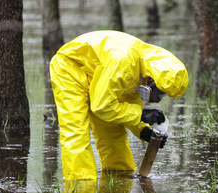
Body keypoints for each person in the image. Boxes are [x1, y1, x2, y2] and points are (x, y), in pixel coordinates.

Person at [50, 30, 189, 180]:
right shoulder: (124, 64)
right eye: (158, 93)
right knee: (76, 133)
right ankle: (79, 188)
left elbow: (126, 109)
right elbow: (101, 106)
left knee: (114, 130)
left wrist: (143, 130)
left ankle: (119, 179)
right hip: (70, 69)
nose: (157, 99)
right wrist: (141, 114)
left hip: (100, 75)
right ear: (152, 79)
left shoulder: (143, 71)